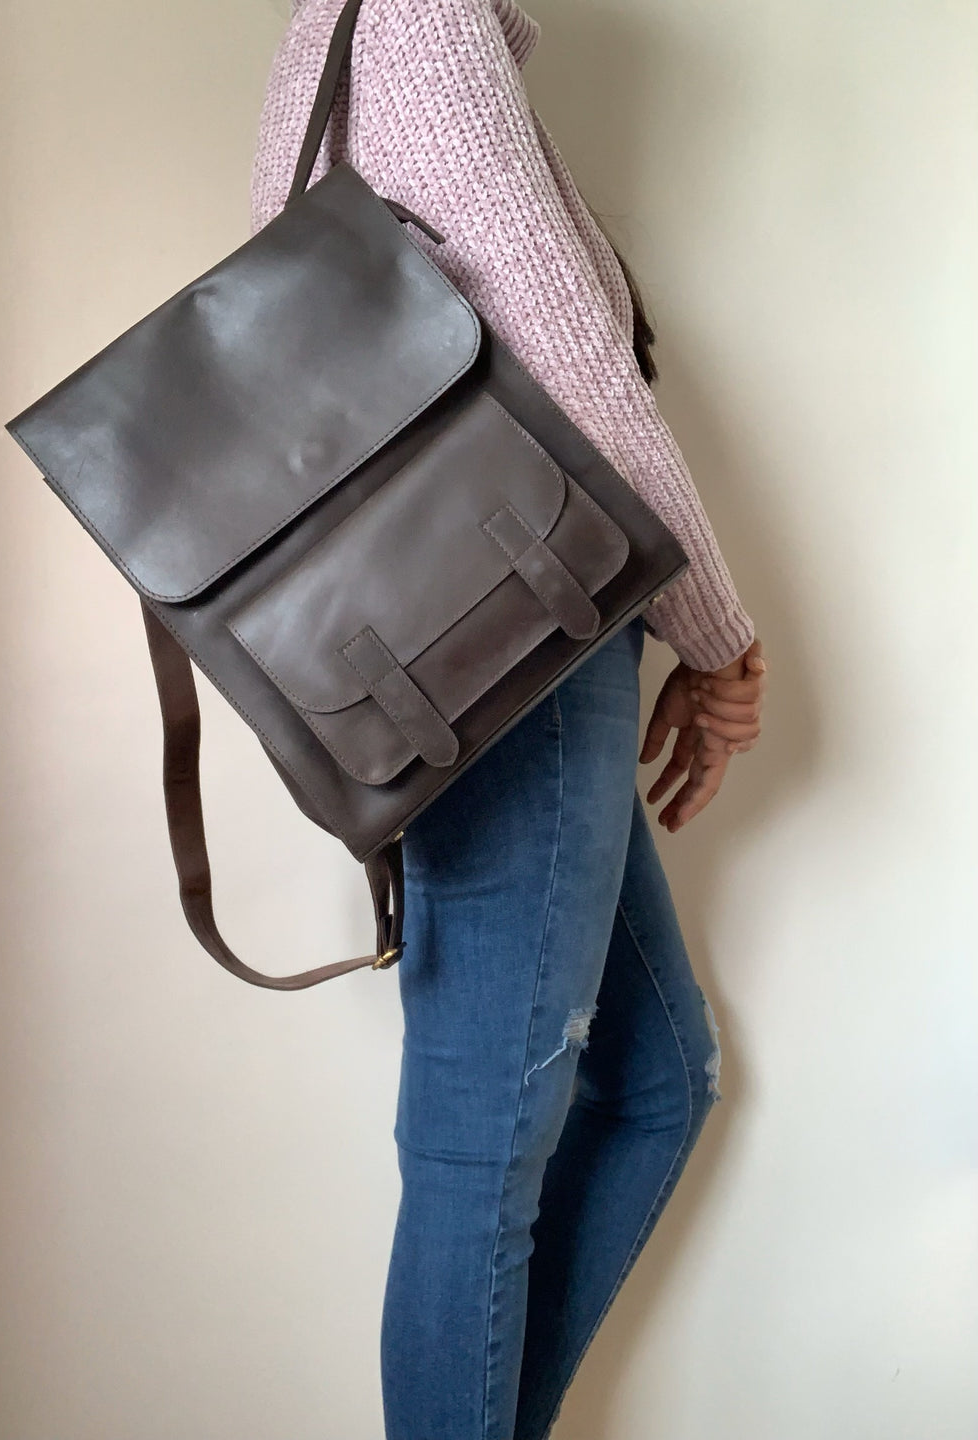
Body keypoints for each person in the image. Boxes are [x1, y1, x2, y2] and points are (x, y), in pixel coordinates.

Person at [250, 1, 769, 1436]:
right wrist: (716, 635)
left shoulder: (349, 33)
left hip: (483, 642)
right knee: (483, 1151)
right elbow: (576, 375)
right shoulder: (418, 19)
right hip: (514, 643)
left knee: (657, 1081)